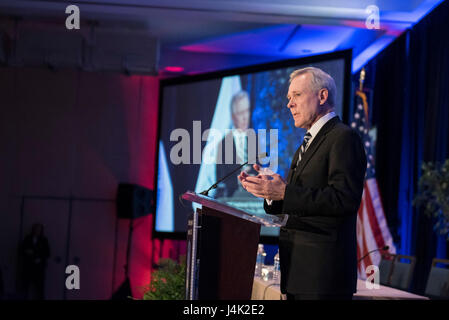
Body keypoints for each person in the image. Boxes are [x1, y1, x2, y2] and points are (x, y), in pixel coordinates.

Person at [239, 67, 367, 300]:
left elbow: (343, 200)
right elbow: (296, 201)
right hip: (299, 272)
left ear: (322, 96)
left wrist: (285, 192)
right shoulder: (306, 144)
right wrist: (270, 193)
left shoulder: (342, 138)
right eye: (289, 98)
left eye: (296, 95)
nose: (289, 104)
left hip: (323, 276)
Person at [215, 90, 253, 198]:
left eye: (247, 111)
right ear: (232, 116)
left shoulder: (255, 140)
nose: (245, 117)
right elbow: (220, 181)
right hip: (231, 199)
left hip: (253, 200)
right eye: (241, 113)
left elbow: (259, 171)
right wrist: (239, 177)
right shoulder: (223, 144)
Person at [19, 223, 50, 300]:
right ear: (33, 229)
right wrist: (27, 252)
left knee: (40, 289)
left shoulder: (44, 240)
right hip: (28, 267)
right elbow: (22, 250)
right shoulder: (27, 238)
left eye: (39, 229)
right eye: (36, 229)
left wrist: (40, 258)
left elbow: (47, 253)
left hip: (39, 268)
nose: (37, 231)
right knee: (25, 287)